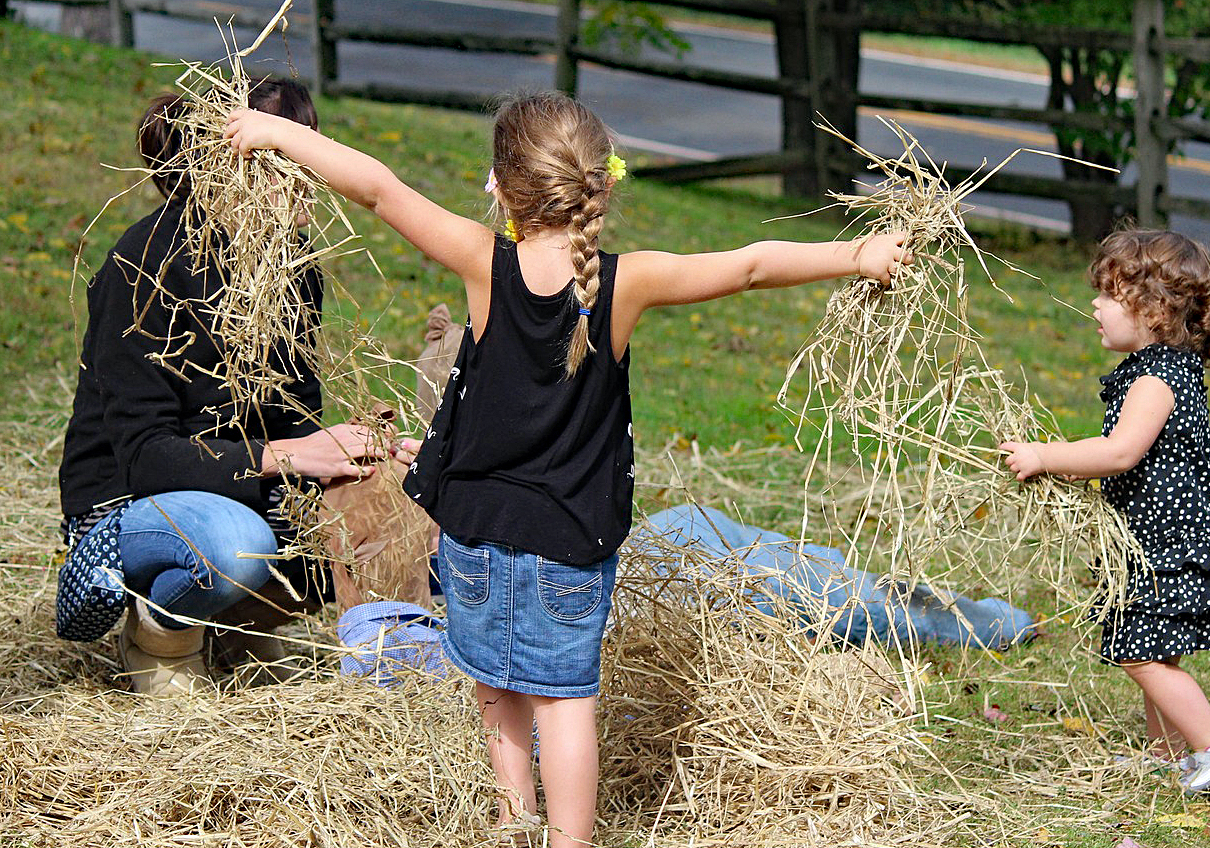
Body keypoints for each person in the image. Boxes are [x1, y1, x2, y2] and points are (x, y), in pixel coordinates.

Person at [224, 90, 910, 848]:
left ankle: (512, 821)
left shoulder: (483, 263)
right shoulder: (624, 283)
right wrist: (858, 253)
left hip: (475, 537)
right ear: (601, 186)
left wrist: (277, 132)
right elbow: (747, 266)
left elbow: (378, 187)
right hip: (568, 546)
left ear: (499, 186)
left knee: (496, 689)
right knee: (566, 704)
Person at [58, 79, 395, 697]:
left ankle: (241, 625)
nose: (310, 179)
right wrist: (293, 457)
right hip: (128, 504)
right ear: (233, 164)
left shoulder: (291, 265)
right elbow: (144, 457)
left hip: (244, 485)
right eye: (288, 159)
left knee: (378, 506)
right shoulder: (145, 267)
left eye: (312, 152)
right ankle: (161, 635)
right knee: (236, 545)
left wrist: (354, 451)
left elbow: (293, 418)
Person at [999, 229, 1210, 796]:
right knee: (1156, 645)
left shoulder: (1154, 379)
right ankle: (1169, 754)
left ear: (1153, 311)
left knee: (1137, 650)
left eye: (1107, 295)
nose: (1093, 305)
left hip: (1166, 539)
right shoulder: (1166, 369)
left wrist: (1045, 457)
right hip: (1157, 534)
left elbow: (1121, 452)